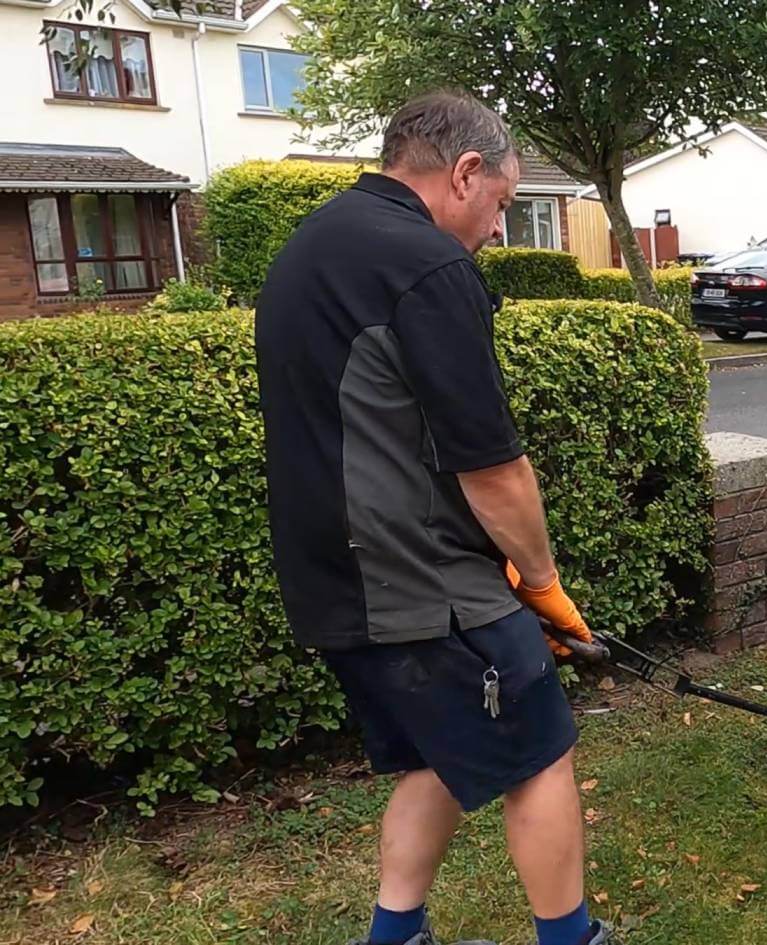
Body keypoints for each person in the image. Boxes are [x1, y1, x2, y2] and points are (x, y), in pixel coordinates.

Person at [255, 91, 610, 945]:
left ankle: (394, 935)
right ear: (464, 173)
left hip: (332, 574)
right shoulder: (427, 265)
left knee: (436, 751)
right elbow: (493, 468)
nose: (497, 229)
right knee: (540, 749)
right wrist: (542, 582)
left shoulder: (311, 245)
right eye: (503, 205)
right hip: (416, 576)